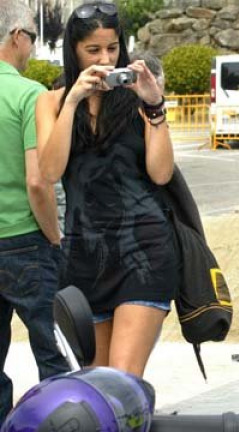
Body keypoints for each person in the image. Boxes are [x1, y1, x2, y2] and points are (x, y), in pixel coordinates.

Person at [35, 1, 175, 378]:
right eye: (93, 50)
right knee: (96, 383)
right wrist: (74, 99)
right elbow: (49, 171)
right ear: (73, 50)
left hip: (143, 250)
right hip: (85, 255)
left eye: (112, 48)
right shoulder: (50, 102)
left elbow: (161, 174)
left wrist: (155, 105)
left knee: (124, 377)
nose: (105, 59)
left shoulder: (136, 98)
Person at [0, 1, 68, 421]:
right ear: (17, 37)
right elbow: (38, 181)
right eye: (32, 39)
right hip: (26, 243)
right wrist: (55, 237)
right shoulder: (30, 95)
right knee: (55, 351)